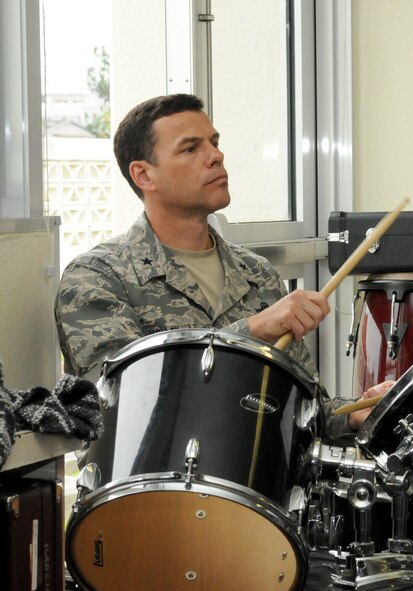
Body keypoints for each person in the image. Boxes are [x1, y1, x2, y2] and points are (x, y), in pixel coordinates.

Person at [55, 93, 387, 441]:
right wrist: (252, 332)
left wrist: (353, 414)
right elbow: (119, 402)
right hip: (154, 489)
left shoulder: (256, 274)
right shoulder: (97, 277)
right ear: (143, 175)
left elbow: (303, 415)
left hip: (257, 487)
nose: (216, 156)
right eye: (190, 148)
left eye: (214, 143)